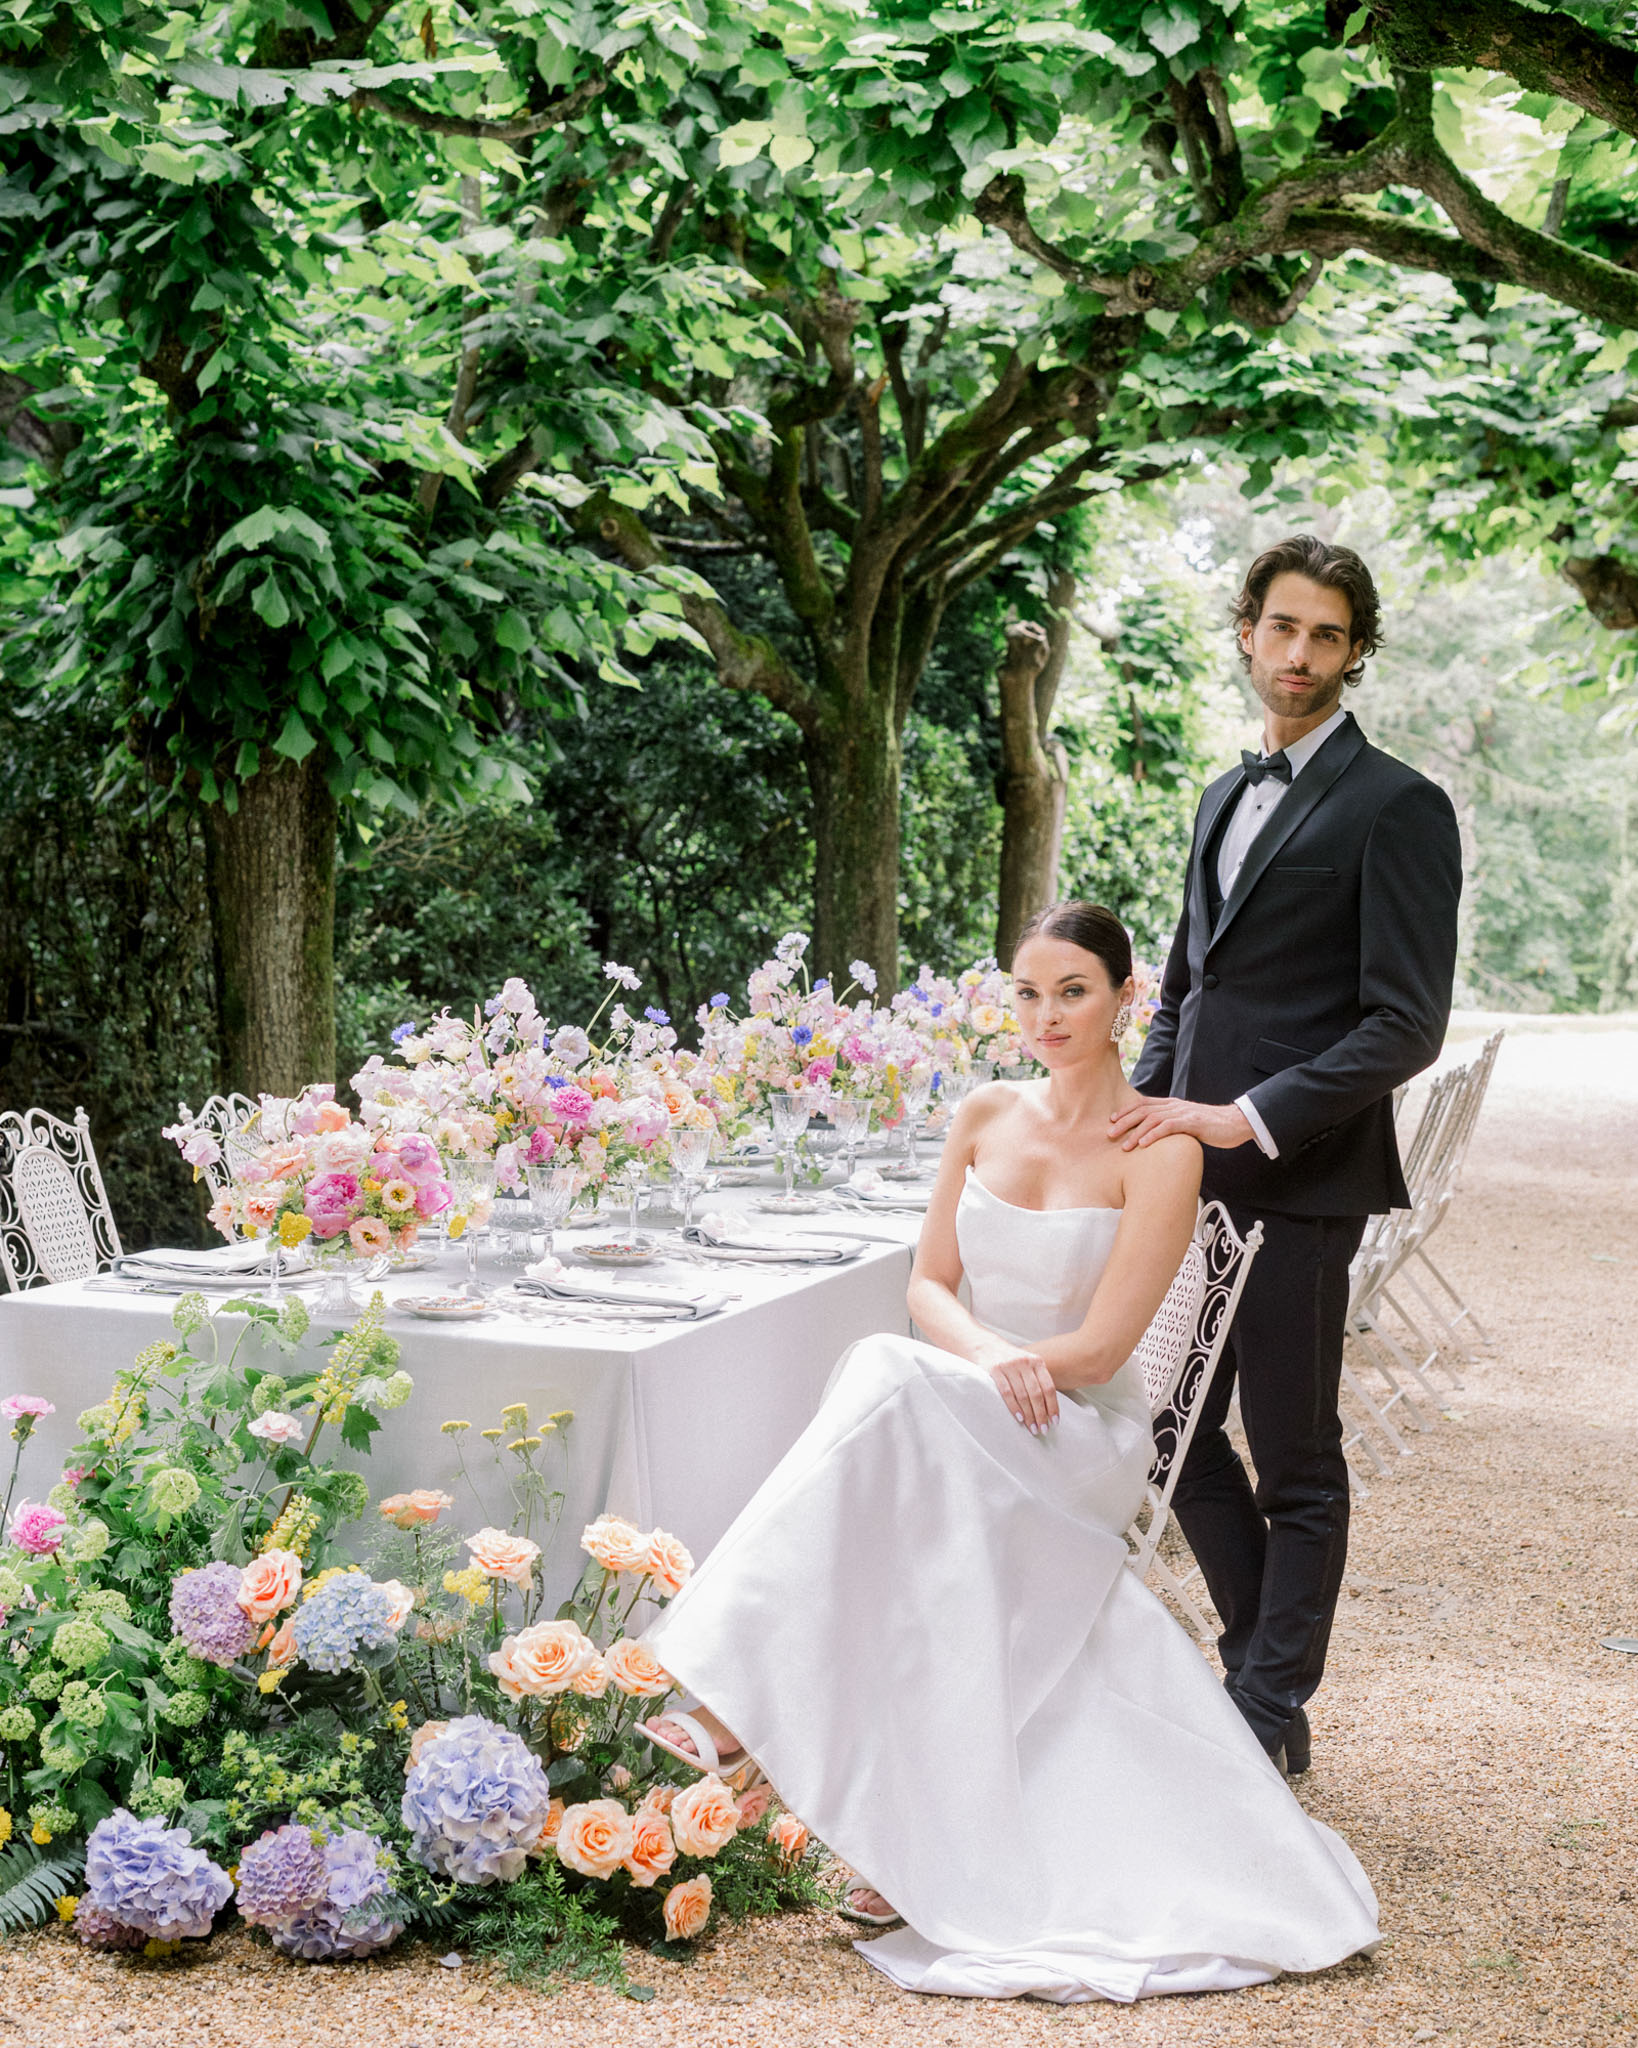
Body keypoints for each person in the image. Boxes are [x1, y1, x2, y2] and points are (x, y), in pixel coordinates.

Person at [637, 902, 1380, 2005]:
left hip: (1083, 1426)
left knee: (883, 1380)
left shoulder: (1164, 1146)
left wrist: (1003, 1368)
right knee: (893, 1383)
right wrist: (988, 1357)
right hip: (985, 1389)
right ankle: (833, 1775)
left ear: (1129, 999)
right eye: (1028, 992)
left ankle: (731, 1703)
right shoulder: (983, 1111)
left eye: (1073, 989)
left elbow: (1105, 1344)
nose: (1047, 1014)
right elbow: (928, 1284)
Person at [1118, 535, 1462, 1776]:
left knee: (1295, 1452)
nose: (1300, 654)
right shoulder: (1220, 794)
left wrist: (1246, 1115)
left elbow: (1404, 1023)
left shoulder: (1398, 805)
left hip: (1301, 1180)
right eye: (1281, 628)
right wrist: (1143, 1116)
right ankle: (1266, 1669)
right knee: (1164, 1422)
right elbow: (1183, 989)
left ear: (1357, 647)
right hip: (1181, 1178)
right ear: (1248, 633)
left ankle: (1262, 1712)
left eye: (1326, 634)